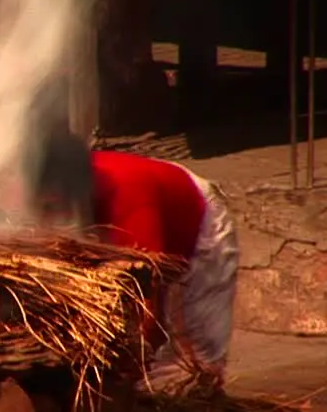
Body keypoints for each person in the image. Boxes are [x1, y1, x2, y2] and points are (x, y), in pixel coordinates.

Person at [34, 133, 240, 389]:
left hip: (200, 228)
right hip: (143, 221)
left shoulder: (129, 199)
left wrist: (128, 366)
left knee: (195, 363)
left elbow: (148, 305)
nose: (49, 211)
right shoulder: (54, 181)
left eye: (54, 204)